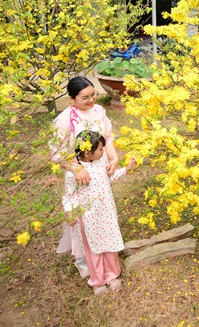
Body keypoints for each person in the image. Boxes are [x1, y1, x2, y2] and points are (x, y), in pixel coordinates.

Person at [51, 76, 120, 278]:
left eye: (93, 95)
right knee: (83, 218)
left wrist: (114, 157)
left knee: (103, 213)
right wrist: (75, 168)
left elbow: (107, 136)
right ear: (72, 99)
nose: (91, 101)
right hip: (80, 174)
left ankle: (108, 251)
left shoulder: (98, 111)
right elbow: (58, 155)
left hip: (98, 170)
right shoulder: (63, 121)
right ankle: (85, 261)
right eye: (84, 98)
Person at [62, 130, 136, 294]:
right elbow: (69, 196)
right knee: (94, 250)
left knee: (109, 246)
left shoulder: (100, 163)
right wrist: (69, 213)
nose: (104, 153)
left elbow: (109, 177)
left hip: (106, 214)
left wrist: (127, 169)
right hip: (89, 218)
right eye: (101, 150)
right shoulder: (75, 172)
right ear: (88, 153)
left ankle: (112, 276)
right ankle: (98, 281)